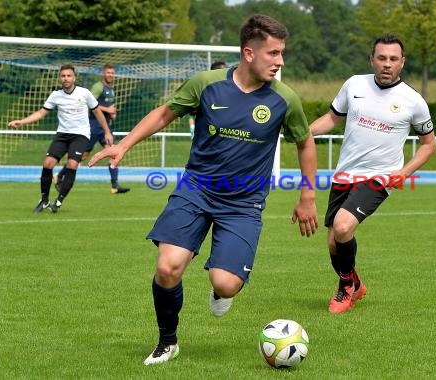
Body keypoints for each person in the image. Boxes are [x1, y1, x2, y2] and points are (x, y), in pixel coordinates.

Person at [88, 14, 318, 365]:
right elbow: (165, 113)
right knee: (167, 267)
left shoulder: (284, 99)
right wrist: (124, 145)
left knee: (225, 284)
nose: (280, 61)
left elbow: (305, 142)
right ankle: (168, 341)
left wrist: (308, 196)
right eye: (273, 53)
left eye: (282, 53)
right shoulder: (206, 84)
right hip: (196, 189)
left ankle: (223, 283)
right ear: (249, 53)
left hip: (244, 202)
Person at [309, 34, 436, 314]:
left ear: (402, 63)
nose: (387, 64)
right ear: (372, 59)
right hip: (345, 174)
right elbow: (332, 118)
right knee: (333, 241)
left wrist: (404, 172)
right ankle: (355, 282)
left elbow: (429, 145)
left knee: (343, 227)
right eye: (381, 58)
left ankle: (344, 289)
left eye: (393, 59)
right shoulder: (354, 84)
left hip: (380, 177)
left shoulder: (413, 101)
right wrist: (304, 132)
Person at [8, 64, 112, 213]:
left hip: (80, 135)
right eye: (63, 76)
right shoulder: (56, 95)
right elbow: (41, 113)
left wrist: (107, 132)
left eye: (69, 76)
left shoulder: (84, 93)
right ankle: (44, 200)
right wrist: (22, 121)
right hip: (62, 135)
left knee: (72, 164)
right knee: (48, 164)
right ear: (60, 78)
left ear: (74, 77)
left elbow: (98, 112)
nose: (66, 78)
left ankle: (58, 201)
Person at [55, 64, 130, 194]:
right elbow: (91, 104)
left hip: (104, 128)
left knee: (113, 151)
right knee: (82, 156)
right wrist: (108, 109)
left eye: (112, 73)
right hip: (93, 127)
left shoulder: (111, 89)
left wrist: (112, 113)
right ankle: (59, 176)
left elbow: (109, 107)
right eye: (108, 72)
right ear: (103, 74)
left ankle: (115, 186)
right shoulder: (98, 86)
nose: (110, 75)